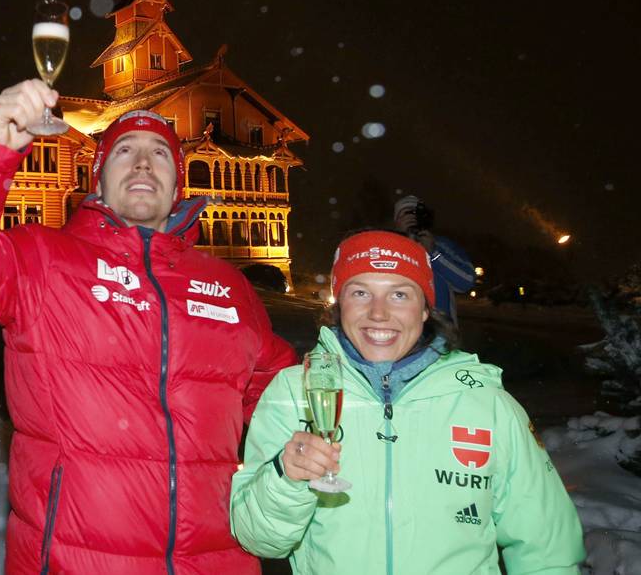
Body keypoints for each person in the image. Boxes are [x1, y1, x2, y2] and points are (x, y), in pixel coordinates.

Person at [0, 79, 295, 574]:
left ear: (179, 186)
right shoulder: (44, 261)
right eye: (124, 151)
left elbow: (286, 401)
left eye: (160, 154)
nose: (144, 163)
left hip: (215, 560)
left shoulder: (228, 287)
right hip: (78, 559)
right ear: (97, 178)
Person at [229, 230, 584, 573]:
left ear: (425, 310)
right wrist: (286, 479)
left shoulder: (488, 404)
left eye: (400, 295)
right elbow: (258, 539)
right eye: (360, 293)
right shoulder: (292, 394)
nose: (379, 313)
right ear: (339, 304)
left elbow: (547, 547)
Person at [394, 194, 475, 325]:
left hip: (441, 334)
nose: (412, 217)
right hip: (399, 331)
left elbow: (466, 282)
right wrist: (404, 241)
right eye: (406, 213)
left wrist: (434, 254)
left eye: (415, 213)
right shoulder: (386, 247)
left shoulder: (442, 245)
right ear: (396, 220)